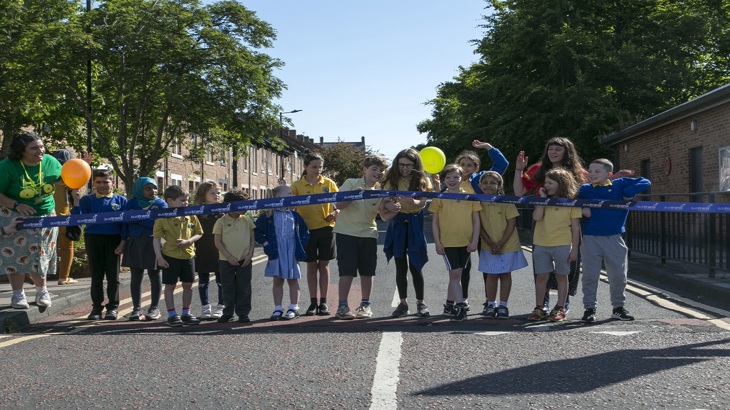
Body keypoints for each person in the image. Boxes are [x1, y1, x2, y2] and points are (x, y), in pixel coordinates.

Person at [513, 137, 587, 314]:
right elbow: (518, 192)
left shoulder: (579, 172)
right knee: (542, 271)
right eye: (550, 149)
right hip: (542, 219)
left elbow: (591, 191)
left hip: (567, 223)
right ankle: (543, 304)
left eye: (558, 149)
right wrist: (519, 170)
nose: (553, 152)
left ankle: (563, 304)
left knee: (568, 269)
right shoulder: (537, 169)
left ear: (567, 152)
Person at [579, 158, 651, 323]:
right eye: (590, 171)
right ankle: (589, 309)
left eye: (597, 171)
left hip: (614, 238)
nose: (592, 174)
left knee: (618, 275)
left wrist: (627, 194)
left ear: (609, 174)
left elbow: (645, 181)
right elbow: (570, 198)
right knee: (590, 276)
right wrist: (581, 207)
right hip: (591, 238)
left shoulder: (619, 185)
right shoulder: (585, 189)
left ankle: (618, 308)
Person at [443, 140, 510, 310]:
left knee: (487, 264)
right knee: (463, 267)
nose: (465, 168)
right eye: (462, 164)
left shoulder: (479, 180)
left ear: (476, 168)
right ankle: (462, 299)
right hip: (460, 230)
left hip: (482, 227)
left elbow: (502, 164)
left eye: (470, 165)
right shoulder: (450, 183)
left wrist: (488, 147)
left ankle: (490, 301)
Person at [0, 132, 62, 311]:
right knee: (17, 254)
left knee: (40, 253)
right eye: (34, 148)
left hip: (45, 214)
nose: (40, 151)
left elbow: (65, 181)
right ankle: (18, 293)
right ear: (21, 151)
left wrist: (80, 171)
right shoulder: (7, 166)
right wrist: (16, 204)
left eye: (41, 146)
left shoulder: (51, 162)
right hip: (14, 213)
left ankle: (42, 291)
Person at [334, 154, 392, 320]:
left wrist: (394, 208)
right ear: (365, 170)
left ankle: (365, 305)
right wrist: (353, 195)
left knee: (367, 271)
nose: (378, 172)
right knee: (347, 271)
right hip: (346, 233)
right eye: (374, 169)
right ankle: (342, 306)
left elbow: (385, 216)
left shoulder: (381, 191)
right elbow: (339, 205)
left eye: (381, 170)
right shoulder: (351, 183)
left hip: (369, 234)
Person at [382, 148, 433, 318]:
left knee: (416, 264)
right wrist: (389, 204)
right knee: (400, 265)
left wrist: (415, 201)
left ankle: (421, 302)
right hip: (397, 223)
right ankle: (403, 303)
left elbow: (423, 202)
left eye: (409, 165)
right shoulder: (391, 180)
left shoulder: (422, 180)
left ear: (416, 165)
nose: (404, 168)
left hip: (414, 223)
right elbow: (385, 200)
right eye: (401, 164)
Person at [71, 169, 127, 320]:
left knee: (113, 275)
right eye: (98, 182)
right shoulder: (87, 200)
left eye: (106, 182)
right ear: (94, 183)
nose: (102, 185)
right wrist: (76, 201)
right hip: (93, 238)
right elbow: (78, 219)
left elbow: (125, 225)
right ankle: (96, 307)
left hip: (113, 239)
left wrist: (122, 243)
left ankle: (113, 307)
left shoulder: (121, 201)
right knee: (96, 275)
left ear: (112, 183)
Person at [527, 168, 581, 322]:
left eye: (550, 183)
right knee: (542, 276)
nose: (546, 185)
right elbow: (537, 217)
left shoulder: (571, 202)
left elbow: (575, 227)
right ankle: (539, 308)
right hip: (541, 244)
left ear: (561, 184)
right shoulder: (542, 200)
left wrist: (574, 249)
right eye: (545, 183)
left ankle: (560, 307)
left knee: (561, 276)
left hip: (562, 244)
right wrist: (543, 200)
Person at [431, 164, 481, 322]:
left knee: (457, 275)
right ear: (444, 179)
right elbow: (435, 222)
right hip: (448, 242)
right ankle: (460, 305)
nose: (452, 180)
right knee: (454, 274)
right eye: (448, 177)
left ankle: (448, 305)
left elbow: (476, 220)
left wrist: (474, 241)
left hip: (465, 242)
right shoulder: (440, 197)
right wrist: (437, 242)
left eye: (456, 177)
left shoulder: (470, 196)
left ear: (462, 178)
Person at [290, 153, 338, 316]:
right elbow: (290, 206)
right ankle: (312, 302)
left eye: (320, 167)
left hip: (326, 228)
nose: (318, 170)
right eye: (314, 167)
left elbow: (339, 203)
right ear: (305, 167)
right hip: (306, 230)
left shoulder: (329, 183)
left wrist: (336, 213)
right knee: (311, 266)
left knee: (324, 265)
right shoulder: (297, 185)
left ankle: (323, 302)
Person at [477, 171, 528, 319]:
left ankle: (503, 305)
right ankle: (491, 304)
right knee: (491, 275)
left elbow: (512, 224)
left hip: (508, 244)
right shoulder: (477, 201)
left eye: (492, 183)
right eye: (485, 182)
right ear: (480, 185)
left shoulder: (506, 201)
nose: (488, 185)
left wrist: (500, 243)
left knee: (505, 274)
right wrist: (491, 243)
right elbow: (478, 225)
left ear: (499, 185)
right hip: (488, 245)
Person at [254, 185, 310, 321]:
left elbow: (305, 232)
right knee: (277, 280)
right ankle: (278, 308)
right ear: (279, 197)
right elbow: (257, 231)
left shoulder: (295, 215)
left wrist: (300, 244)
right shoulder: (268, 215)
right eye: (290, 193)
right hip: (276, 249)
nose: (293, 195)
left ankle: (293, 307)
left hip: (291, 250)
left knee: (292, 279)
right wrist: (265, 243)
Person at [153, 185, 203, 327]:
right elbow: (156, 239)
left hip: (188, 256)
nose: (186, 203)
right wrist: (160, 257)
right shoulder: (163, 217)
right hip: (170, 256)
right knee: (170, 286)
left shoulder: (190, 214)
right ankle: (172, 314)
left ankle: (186, 313)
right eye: (182, 200)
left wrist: (189, 241)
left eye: (187, 200)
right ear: (170, 201)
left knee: (188, 285)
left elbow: (199, 233)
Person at [121, 177, 167, 321]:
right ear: (140, 190)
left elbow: (160, 223)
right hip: (134, 241)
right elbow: (125, 221)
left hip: (153, 241)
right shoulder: (132, 202)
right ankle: (136, 308)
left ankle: (154, 307)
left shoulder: (161, 203)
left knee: (154, 274)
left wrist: (138, 218)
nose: (152, 191)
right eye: (148, 188)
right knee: (136, 276)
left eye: (154, 188)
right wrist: (147, 219)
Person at [213, 189, 256, 323]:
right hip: (226, 260)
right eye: (242, 205)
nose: (245, 208)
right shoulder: (221, 221)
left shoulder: (247, 220)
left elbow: (252, 239)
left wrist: (249, 255)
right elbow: (217, 242)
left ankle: (243, 313)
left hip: (245, 259)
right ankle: (228, 312)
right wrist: (229, 256)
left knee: (244, 288)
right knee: (227, 288)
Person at [193, 182, 225, 320]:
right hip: (202, 250)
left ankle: (221, 307)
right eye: (212, 193)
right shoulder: (197, 212)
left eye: (218, 192)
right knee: (203, 281)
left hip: (220, 251)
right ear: (203, 195)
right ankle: (205, 308)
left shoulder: (223, 212)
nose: (216, 195)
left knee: (221, 280)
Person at [51, 149, 78, 285]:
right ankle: (63, 277)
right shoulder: (67, 177)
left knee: (43, 248)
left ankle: (35, 276)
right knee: (67, 247)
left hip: (46, 217)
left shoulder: (46, 175)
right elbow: (76, 187)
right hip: (63, 217)